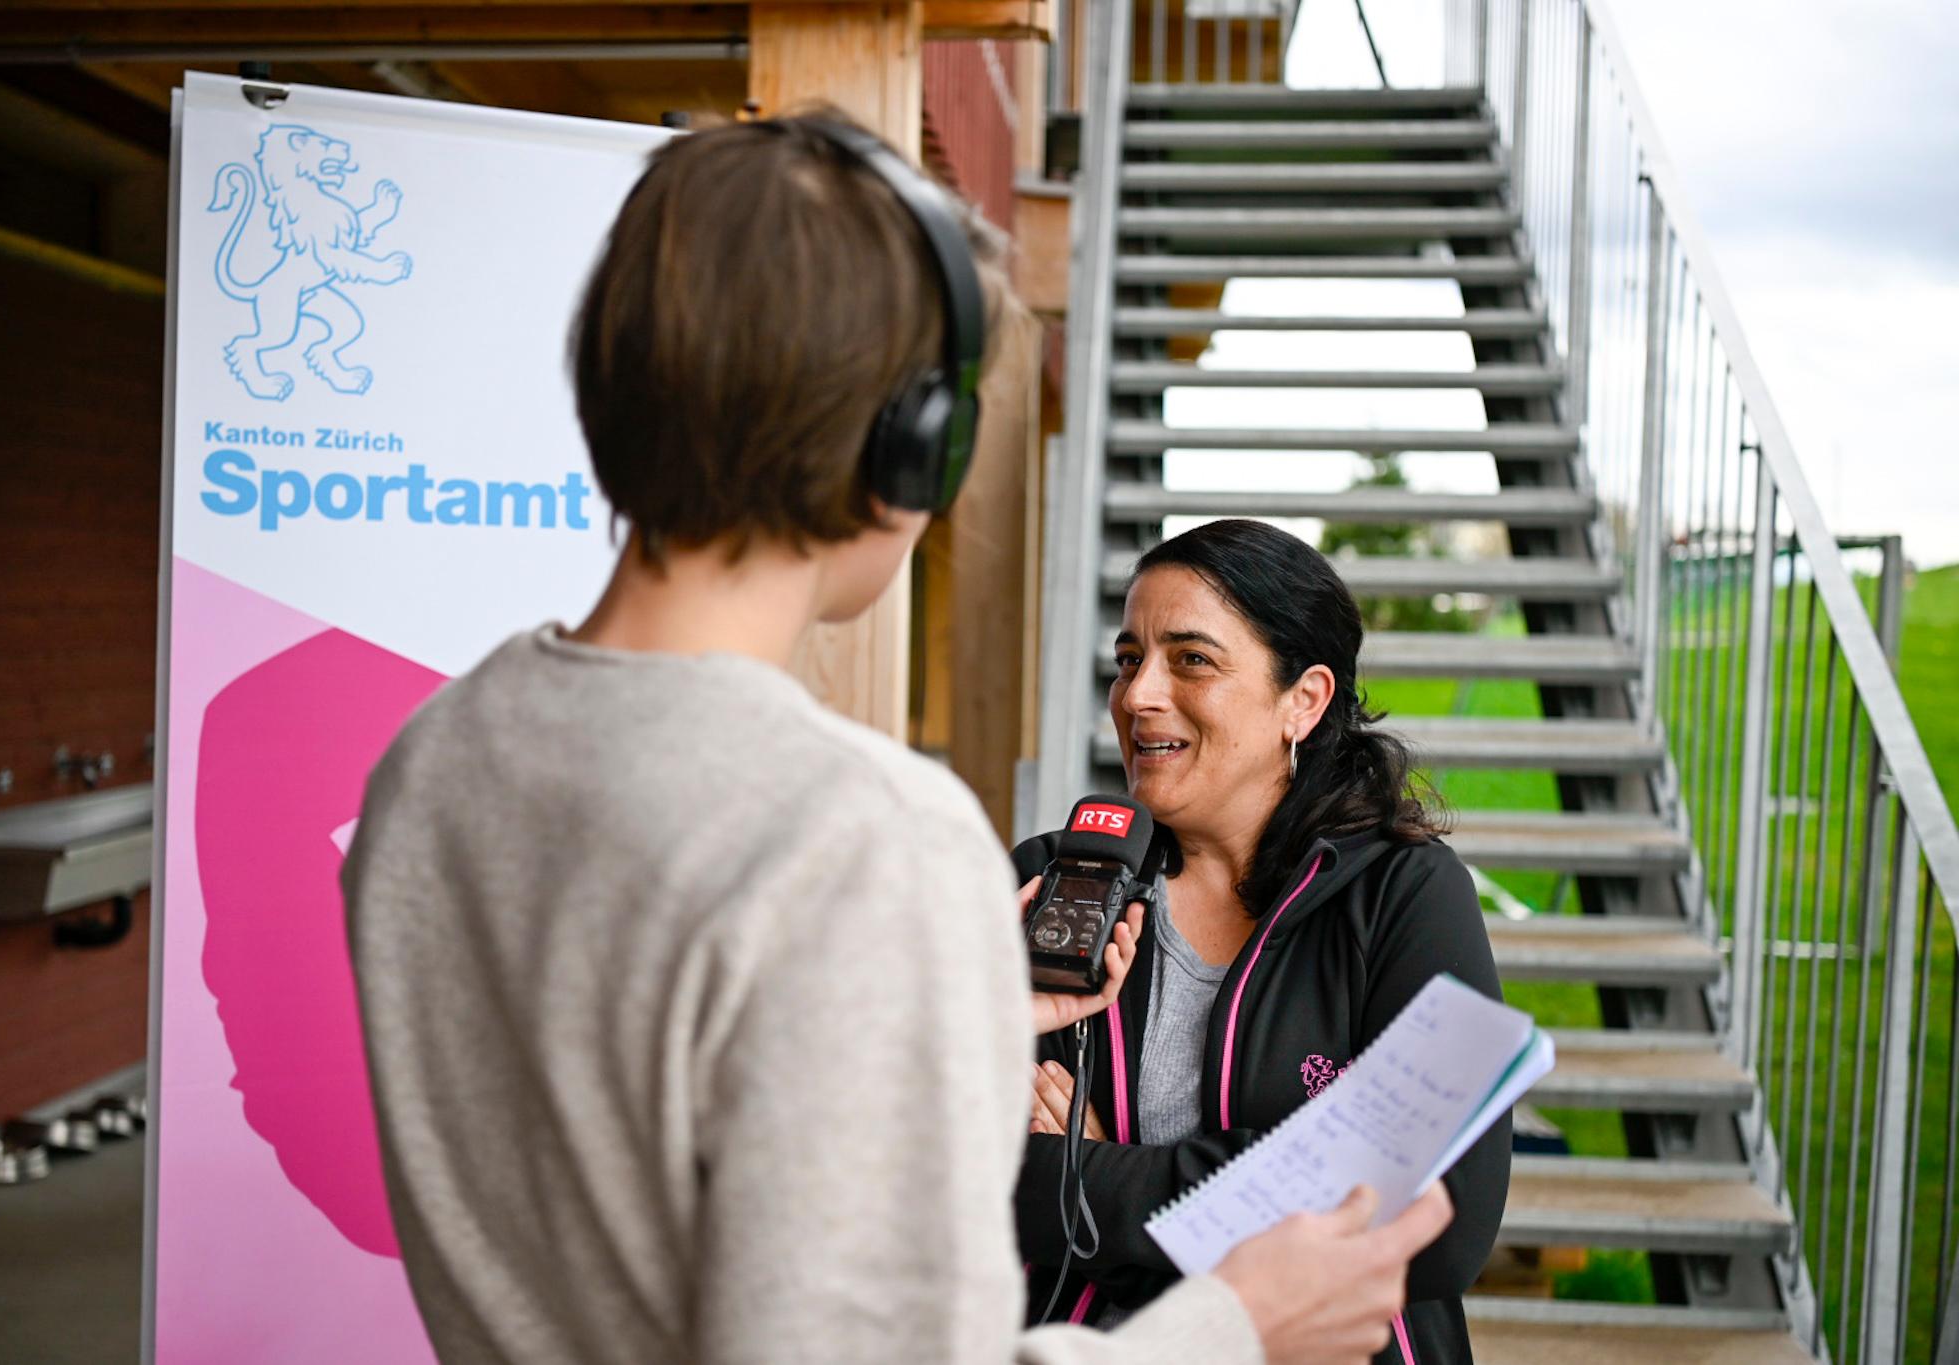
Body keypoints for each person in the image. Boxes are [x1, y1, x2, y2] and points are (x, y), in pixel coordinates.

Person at [343, 112, 1451, 1365]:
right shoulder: (861, 840)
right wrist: (1235, 1325)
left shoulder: (430, 760)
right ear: (911, 447)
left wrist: (956, 1034)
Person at [1012, 519, 1510, 1363]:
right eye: (1130, 658)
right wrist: (1299, 1176)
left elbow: (1441, 1220)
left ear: (1304, 700)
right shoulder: (1058, 885)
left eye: (1191, 659)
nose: (1136, 696)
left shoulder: (1406, 895)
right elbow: (969, 1168)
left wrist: (1096, 1170)